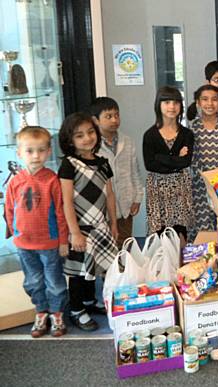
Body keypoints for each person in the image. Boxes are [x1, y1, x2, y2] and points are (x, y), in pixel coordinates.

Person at [5, 126, 69, 337]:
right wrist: (12, 234)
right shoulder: (15, 181)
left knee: (54, 281)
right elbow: (9, 209)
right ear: (19, 153)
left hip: (49, 243)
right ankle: (41, 311)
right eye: (30, 151)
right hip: (24, 244)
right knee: (33, 281)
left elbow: (60, 212)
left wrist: (62, 240)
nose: (35, 156)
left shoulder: (52, 180)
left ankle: (56, 313)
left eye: (41, 150)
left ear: (49, 151)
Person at [58, 113, 119, 330]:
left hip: (101, 225)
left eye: (91, 132)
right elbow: (66, 201)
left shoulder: (103, 163)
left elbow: (109, 194)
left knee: (96, 268)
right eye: (79, 135)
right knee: (78, 272)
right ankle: (76, 309)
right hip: (81, 228)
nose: (87, 138)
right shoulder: (69, 164)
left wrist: (113, 223)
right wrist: (74, 232)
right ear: (69, 140)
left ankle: (89, 302)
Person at [143, 86, 194, 243]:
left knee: (181, 231)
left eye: (176, 102)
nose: (172, 107)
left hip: (180, 185)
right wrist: (175, 159)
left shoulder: (187, 134)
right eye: (166, 102)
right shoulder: (150, 135)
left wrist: (161, 157)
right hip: (157, 188)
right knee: (160, 233)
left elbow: (186, 162)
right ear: (158, 105)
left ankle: (182, 265)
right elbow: (150, 165)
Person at [91, 97, 144, 248]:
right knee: (106, 249)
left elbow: (135, 171)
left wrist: (138, 197)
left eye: (117, 115)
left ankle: (124, 271)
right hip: (103, 210)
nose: (114, 120)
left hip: (126, 205)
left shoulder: (127, 141)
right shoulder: (92, 145)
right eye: (108, 116)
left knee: (125, 247)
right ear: (95, 120)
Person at [190, 85, 218, 237]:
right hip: (199, 184)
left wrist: (217, 178)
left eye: (214, 100)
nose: (210, 103)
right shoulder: (193, 127)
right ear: (198, 102)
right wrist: (204, 178)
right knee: (203, 225)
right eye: (205, 99)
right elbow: (193, 157)